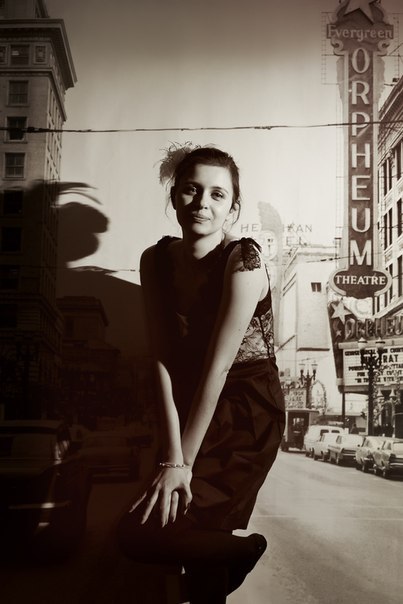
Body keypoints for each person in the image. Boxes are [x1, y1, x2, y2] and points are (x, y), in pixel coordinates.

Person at [117, 146, 285, 603]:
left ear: (233, 207)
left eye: (217, 194)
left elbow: (219, 367)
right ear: (174, 196)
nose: (202, 203)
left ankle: (238, 551)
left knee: (190, 525)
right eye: (191, 190)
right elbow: (160, 357)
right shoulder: (155, 260)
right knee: (146, 532)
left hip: (247, 410)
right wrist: (172, 457)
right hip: (190, 398)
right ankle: (239, 553)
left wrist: (182, 466)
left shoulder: (244, 260)